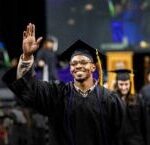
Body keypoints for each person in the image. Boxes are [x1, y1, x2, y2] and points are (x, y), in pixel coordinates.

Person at [2, 23, 125, 145]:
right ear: (70, 69)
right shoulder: (57, 94)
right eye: (74, 63)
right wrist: (27, 57)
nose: (78, 66)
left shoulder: (110, 100)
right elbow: (29, 89)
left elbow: (120, 136)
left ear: (93, 67)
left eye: (83, 62)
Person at [111, 69, 148, 145]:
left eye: (126, 84)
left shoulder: (138, 100)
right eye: (121, 84)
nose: (124, 87)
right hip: (118, 141)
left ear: (130, 84)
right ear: (117, 84)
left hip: (136, 141)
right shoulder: (112, 101)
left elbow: (145, 123)